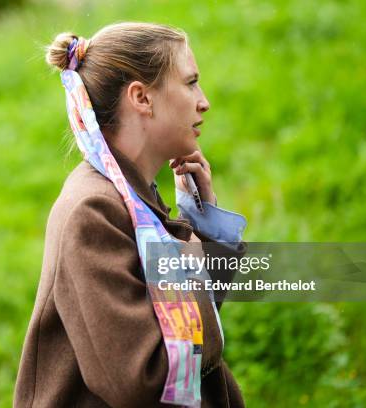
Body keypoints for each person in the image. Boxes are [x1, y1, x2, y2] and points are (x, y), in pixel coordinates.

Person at [14, 22, 248, 408]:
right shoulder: (93, 211)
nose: (203, 101)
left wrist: (206, 229)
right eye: (190, 83)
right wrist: (189, 256)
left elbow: (189, 325)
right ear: (142, 98)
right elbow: (145, 379)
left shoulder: (133, 196)